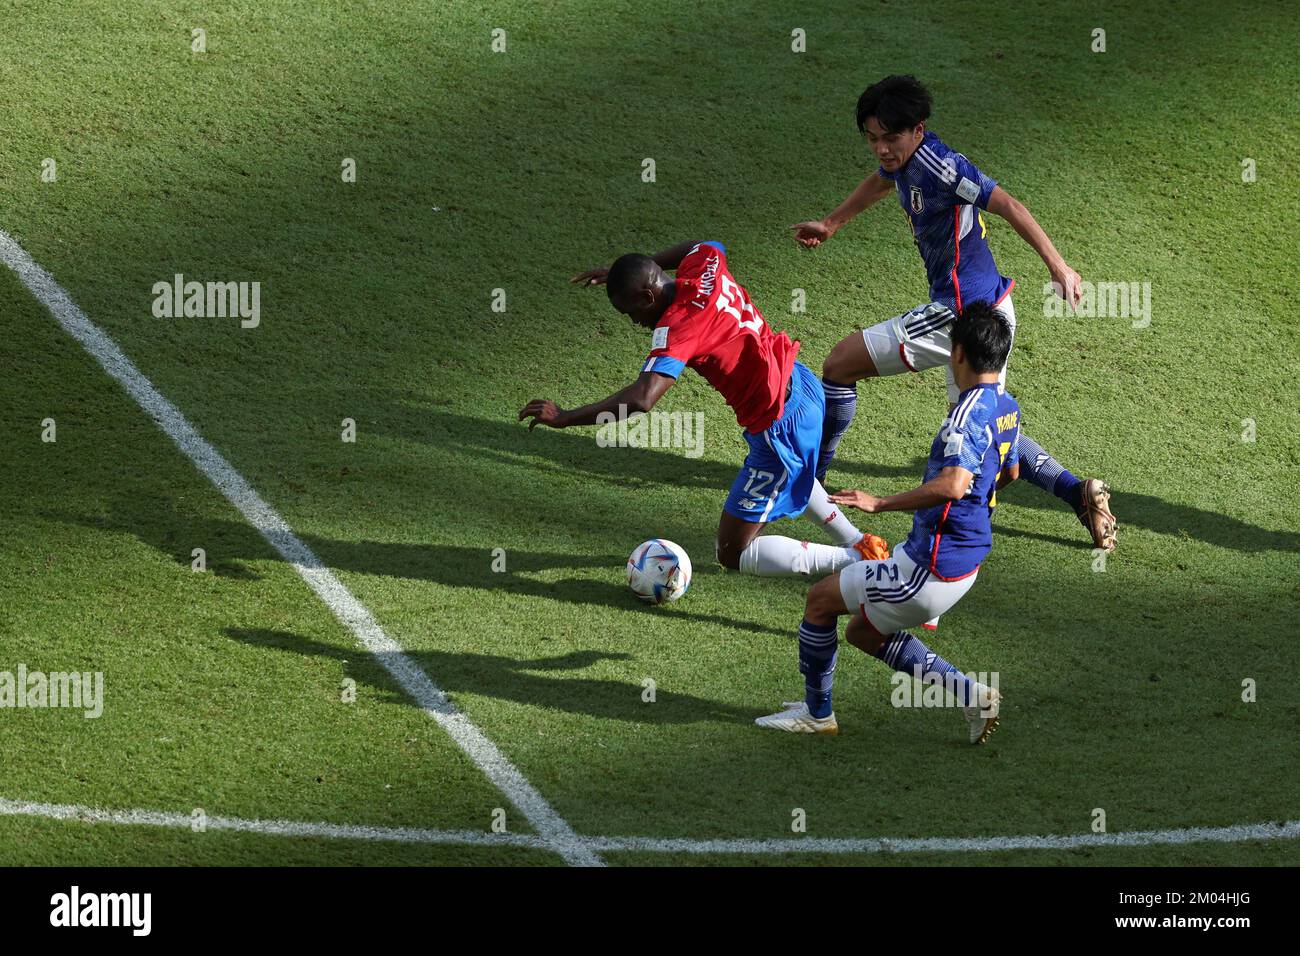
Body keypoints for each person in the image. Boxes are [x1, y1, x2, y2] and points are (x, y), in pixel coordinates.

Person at [791, 74, 1116, 552]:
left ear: (917, 130)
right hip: (986, 311)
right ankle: (1075, 491)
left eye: (891, 138)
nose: (881, 149)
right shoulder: (903, 161)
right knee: (982, 427)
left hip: (961, 315)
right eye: (873, 138)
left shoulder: (942, 166)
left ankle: (811, 481)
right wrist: (832, 223)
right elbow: (881, 182)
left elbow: (1007, 203)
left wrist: (1059, 266)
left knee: (840, 364)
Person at [520, 240, 888, 577]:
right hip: (801, 385)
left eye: (630, 311)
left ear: (648, 296)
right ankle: (859, 542)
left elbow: (642, 398)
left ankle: (861, 564)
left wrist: (566, 417)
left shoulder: (679, 327)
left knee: (733, 551)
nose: (634, 322)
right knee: (792, 473)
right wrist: (634, 269)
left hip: (779, 420)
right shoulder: (704, 265)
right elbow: (704, 243)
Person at [755, 303, 1018, 743]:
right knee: (862, 631)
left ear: (957, 355)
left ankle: (817, 716)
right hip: (964, 559)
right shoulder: (1006, 406)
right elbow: (1008, 472)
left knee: (820, 602)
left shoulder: (965, 417)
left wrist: (879, 502)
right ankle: (973, 696)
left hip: (931, 568)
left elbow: (953, 486)